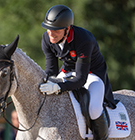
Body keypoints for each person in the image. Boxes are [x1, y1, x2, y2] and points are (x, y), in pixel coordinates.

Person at [39, 5, 116, 140]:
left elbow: (81, 79)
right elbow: (51, 70)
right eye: (49, 29)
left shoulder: (84, 39)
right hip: (68, 70)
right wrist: (47, 81)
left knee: (94, 109)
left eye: (56, 30)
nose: (51, 33)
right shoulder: (47, 39)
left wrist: (59, 87)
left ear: (68, 29)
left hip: (92, 74)